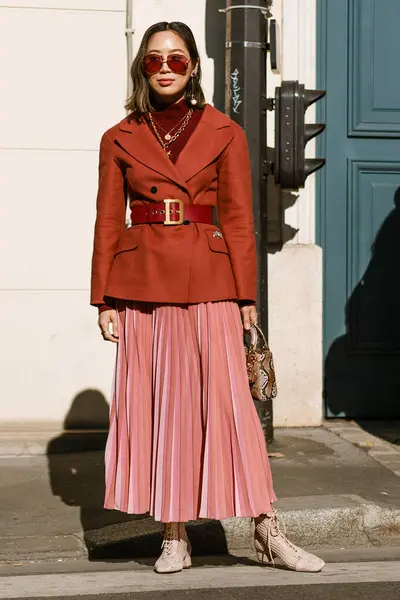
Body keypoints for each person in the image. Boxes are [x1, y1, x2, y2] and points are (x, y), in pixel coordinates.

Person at [90, 21, 325, 575]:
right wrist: (102, 299)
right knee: (160, 409)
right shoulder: (118, 136)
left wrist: (247, 296)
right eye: (154, 60)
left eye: (176, 58)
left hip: (209, 279)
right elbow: (105, 220)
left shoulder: (225, 130)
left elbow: (241, 220)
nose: (165, 68)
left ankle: (267, 529)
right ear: (141, 69)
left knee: (230, 409)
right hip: (142, 284)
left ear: (194, 66)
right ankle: (174, 534)